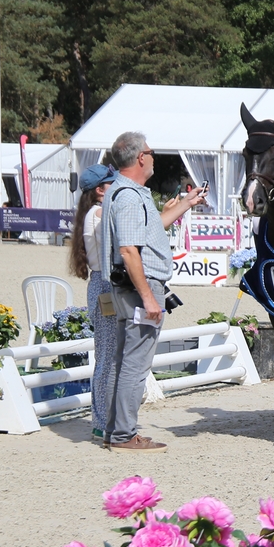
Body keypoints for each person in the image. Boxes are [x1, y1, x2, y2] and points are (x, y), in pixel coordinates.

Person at [100, 133, 208, 453]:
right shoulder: (130, 197)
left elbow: (151, 229)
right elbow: (129, 250)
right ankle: (124, 434)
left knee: (124, 360)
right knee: (135, 364)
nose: (153, 156)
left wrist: (186, 204)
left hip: (131, 288)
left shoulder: (124, 192)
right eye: (150, 151)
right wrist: (148, 297)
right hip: (140, 288)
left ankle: (115, 430)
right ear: (140, 158)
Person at [68, 162, 118, 442]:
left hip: (100, 284)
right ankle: (102, 420)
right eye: (112, 183)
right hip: (105, 286)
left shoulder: (91, 213)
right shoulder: (99, 213)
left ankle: (103, 419)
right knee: (107, 356)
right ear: (100, 190)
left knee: (106, 354)